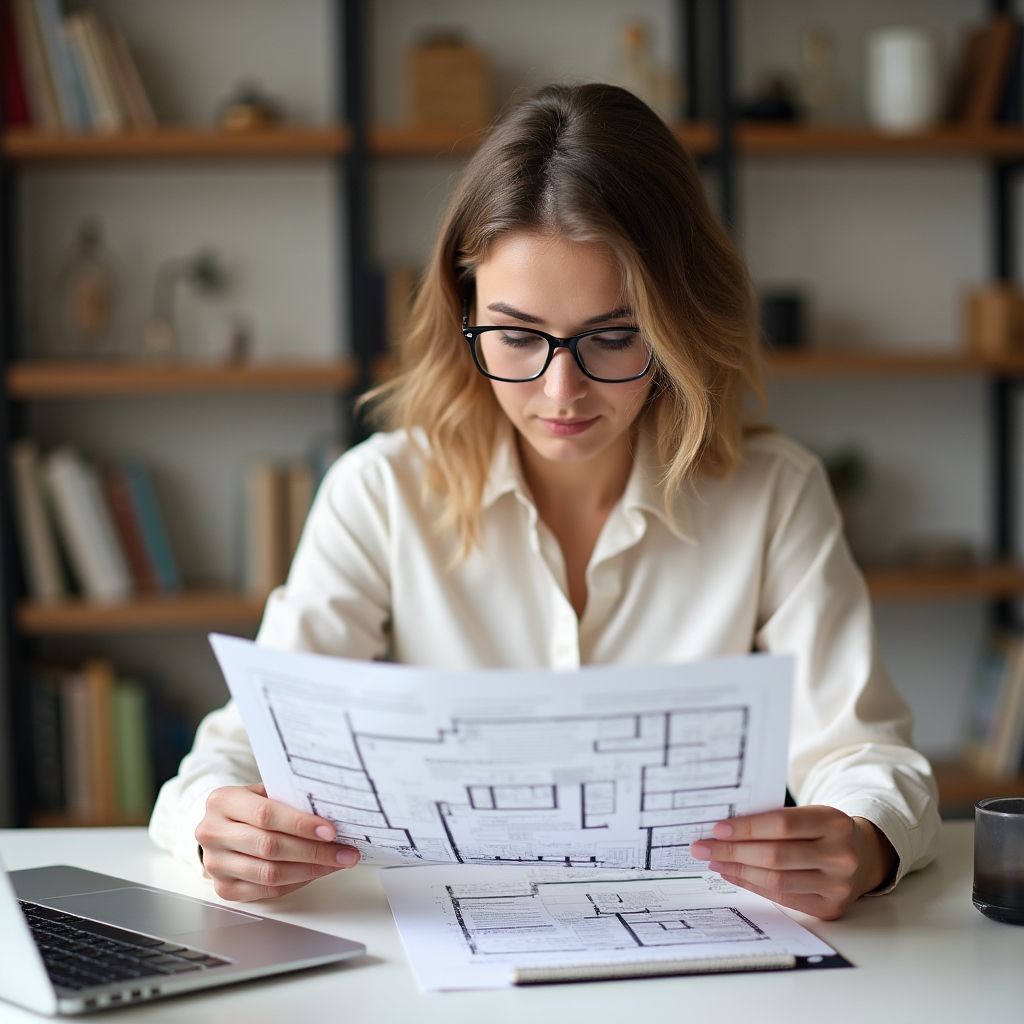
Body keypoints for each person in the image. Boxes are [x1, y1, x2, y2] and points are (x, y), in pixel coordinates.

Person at [150, 83, 939, 919]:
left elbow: (865, 752)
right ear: (464, 313)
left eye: (613, 336)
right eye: (518, 336)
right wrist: (218, 826)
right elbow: (234, 756)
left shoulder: (775, 495)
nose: (562, 390)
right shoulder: (379, 493)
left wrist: (862, 839)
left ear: (678, 322)